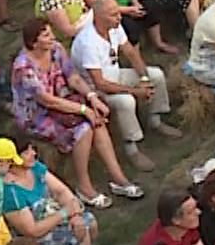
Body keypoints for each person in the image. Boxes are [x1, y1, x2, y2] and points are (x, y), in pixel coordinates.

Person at [11, 19, 144, 204]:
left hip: (63, 103)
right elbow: (47, 100)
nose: (53, 37)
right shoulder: (23, 68)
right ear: (33, 43)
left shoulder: (56, 49)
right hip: (36, 116)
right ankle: (84, 186)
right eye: (46, 35)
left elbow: (72, 77)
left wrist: (91, 97)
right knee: (84, 128)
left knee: (96, 119)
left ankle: (118, 178)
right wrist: (83, 110)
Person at [71, 0, 179, 173]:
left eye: (118, 13)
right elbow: (100, 83)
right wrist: (135, 92)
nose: (119, 17)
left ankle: (155, 120)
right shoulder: (88, 43)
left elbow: (130, 52)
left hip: (116, 75)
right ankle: (131, 148)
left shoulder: (114, 27)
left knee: (156, 75)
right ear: (100, 17)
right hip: (96, 89)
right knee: (125, 101)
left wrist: (144, 80)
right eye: (113, 14)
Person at [0, 136, 100, 245]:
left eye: (32, 149)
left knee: (89, 222)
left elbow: (61, 191)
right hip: (37, 238)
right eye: (26, 152)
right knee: (78, 234)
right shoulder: (10, 192)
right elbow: (32, 231)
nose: (33, 154)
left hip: (55, 219)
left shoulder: (35, 168)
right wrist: (65, 213)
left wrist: (75, 215)